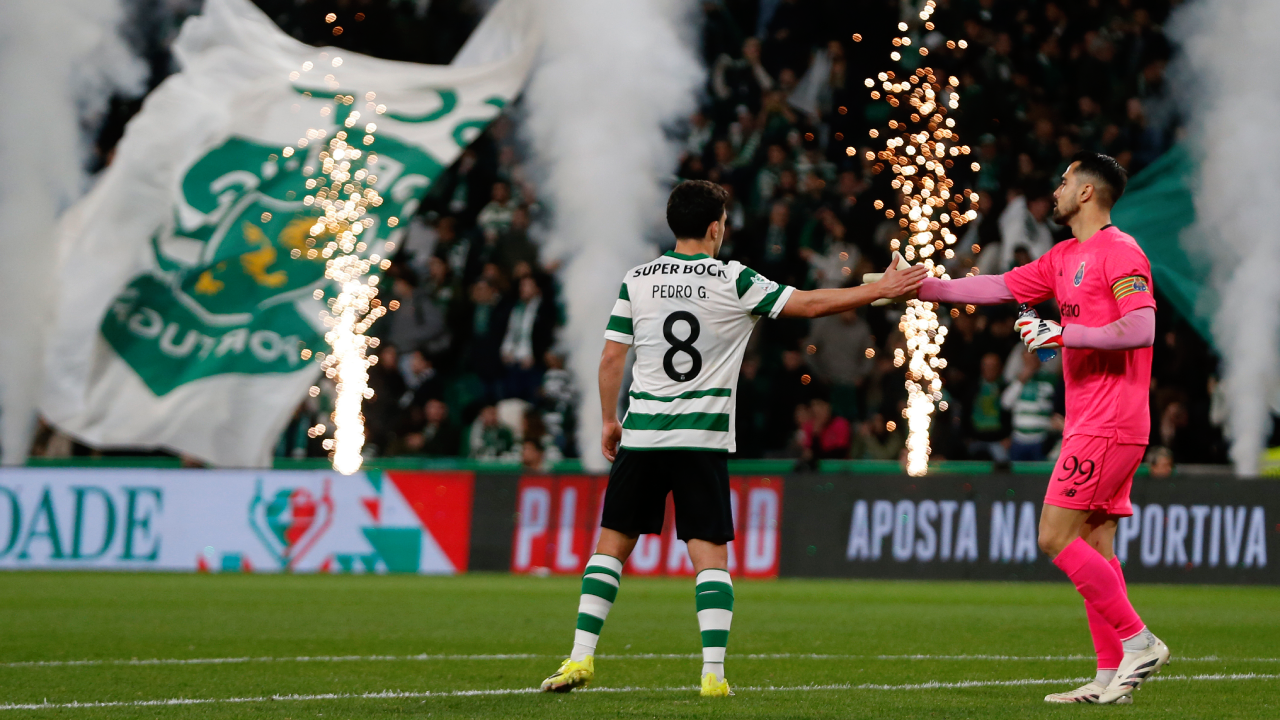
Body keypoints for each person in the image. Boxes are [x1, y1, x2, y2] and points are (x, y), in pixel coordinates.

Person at [539, 180, 926, 697]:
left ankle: (580, 658)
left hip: (644, 436)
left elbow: (613, 358)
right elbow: (809, 305)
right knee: (710, 559)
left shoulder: (638, 280)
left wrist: (610, 420)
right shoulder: (733, 279)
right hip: (701, 439)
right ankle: (713, 674)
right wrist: (876, 289)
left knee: (610, 550)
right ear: (715, 225)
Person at [913, 152, 1168, 704]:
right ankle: (1109, 678)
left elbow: (1142, 327)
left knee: (1054, 536)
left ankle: (1139, 641)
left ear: (1086, 194)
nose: (1055, 188)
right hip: (1095, 421)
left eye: (1064, 180)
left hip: (1109, 421)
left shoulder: (1121, 252)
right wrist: (922, 289)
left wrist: (1064, 336)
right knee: (1096, 547)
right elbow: (999, 286)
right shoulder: (1063, 257)